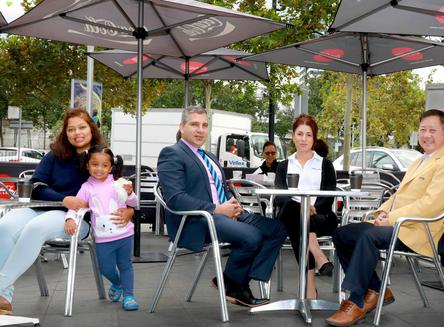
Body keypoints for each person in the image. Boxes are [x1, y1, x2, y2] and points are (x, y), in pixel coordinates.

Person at [326, 109, 444, 327]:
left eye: (432, 130)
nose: (426, 135)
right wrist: (381, 213)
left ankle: (357, 300)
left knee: (367, 237)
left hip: (417, 231)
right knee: (342, 234)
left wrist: (392, 218)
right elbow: (398, 195)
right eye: (422, 130)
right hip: (398, 224)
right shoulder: (420, 161)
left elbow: (431, 204)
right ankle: (377, 290)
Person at [0, 108, 134, 315]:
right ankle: (4, 296)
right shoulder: (55, 155)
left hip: (77, 220)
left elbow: (119, 191)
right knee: (5, 225)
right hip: (44, 207)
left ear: (92, 128)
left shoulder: (101, 158)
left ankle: (0, 288)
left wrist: (130, 211)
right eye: (71, 129)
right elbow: (36, 186)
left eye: (82, 127)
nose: (77, 133)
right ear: (65, 132)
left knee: (36, 228)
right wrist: (64, 199)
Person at [157, 105, 288, 308]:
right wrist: (218, 209)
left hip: (223, 214)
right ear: (182, 127)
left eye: (204, 125)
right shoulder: (172, 154)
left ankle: (234, 281)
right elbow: (175, 198)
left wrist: (233, 205)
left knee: (277, 229)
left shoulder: (209, 156)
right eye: (194, 124)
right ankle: (235, 285)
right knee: (252, 237)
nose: (200, 130)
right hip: (198, 220)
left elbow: (222, 189)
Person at [64, 146, 139, 311]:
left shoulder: (119, 184)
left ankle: (129, 295)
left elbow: (134, 203)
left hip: (125, 232)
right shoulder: (86, 188)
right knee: (105, 268)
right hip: (103, 237)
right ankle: (117, 283)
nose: (99, 169)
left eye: (104, 165)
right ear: (87, 166)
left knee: (125, 265)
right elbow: (76, 206)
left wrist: (131, 193)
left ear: (111, 167)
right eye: (95, 164)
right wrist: (70, 219)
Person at [274, 115, 338, 299]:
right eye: (299, 134)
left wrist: (311, 208)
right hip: (291, 215)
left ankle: (309, 286)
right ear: (293, 136)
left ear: (314, 138)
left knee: (299, 223)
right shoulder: (284, 166)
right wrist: (302, 206)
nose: (303, 139)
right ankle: (318, 256)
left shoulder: (325, 165)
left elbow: (329, 197)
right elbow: (280, 197)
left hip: (321, 217)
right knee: (294, 212)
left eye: (308, 135)